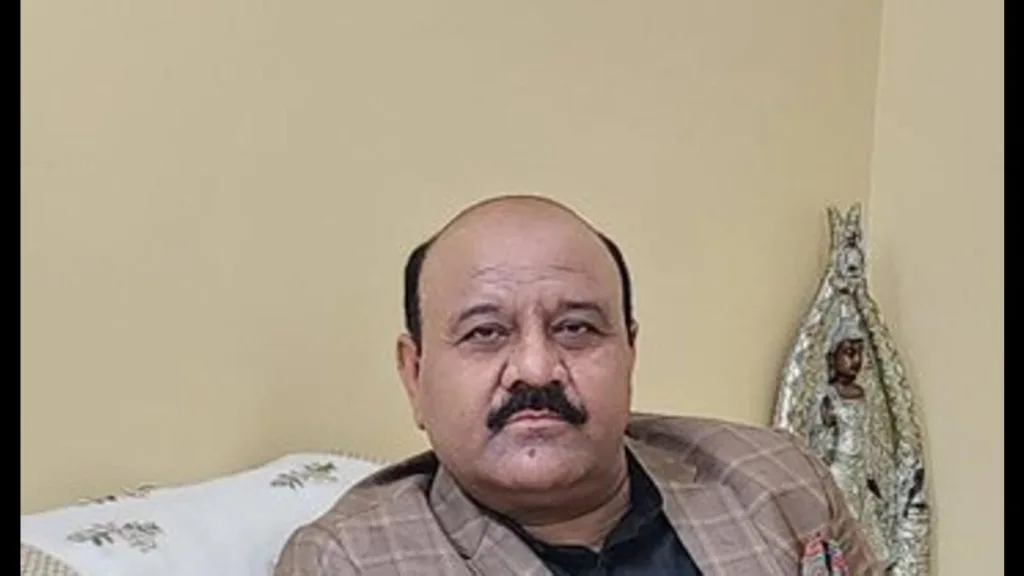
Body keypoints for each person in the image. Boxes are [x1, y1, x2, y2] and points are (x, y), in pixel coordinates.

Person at [274, 195, 881, 575]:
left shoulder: (775, 479)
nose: (536, 369)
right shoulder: (352, 561)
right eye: (486, 333)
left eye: (576, 328)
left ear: (630, 354)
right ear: (415, 374)